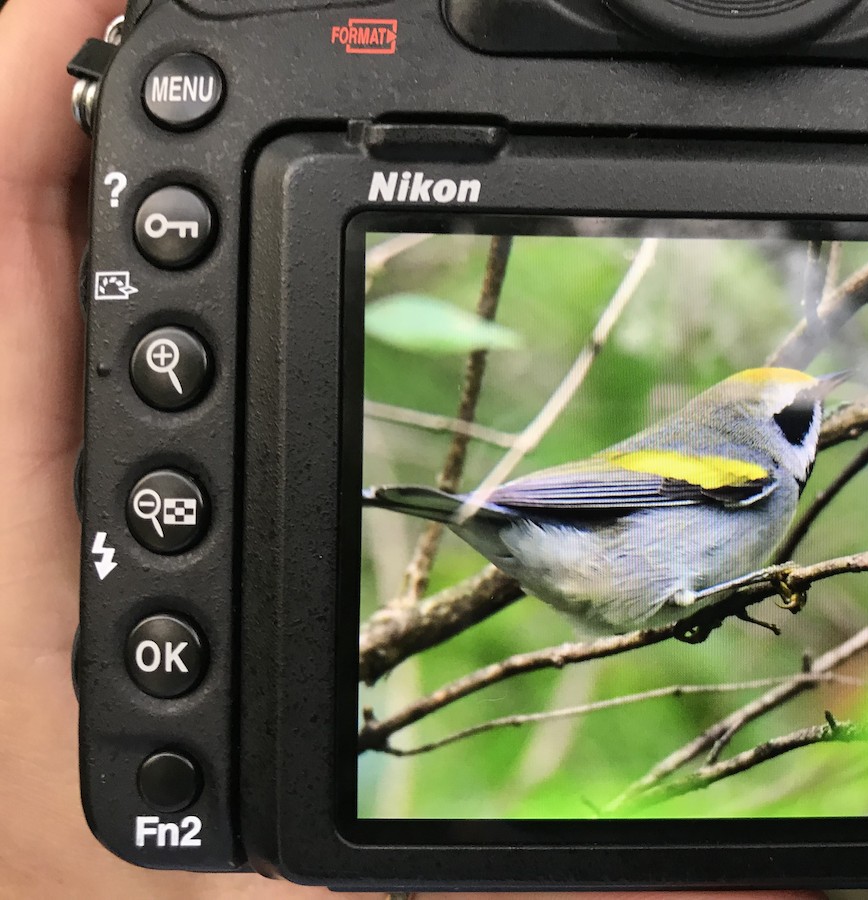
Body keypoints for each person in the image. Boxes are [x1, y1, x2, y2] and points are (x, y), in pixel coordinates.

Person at [0, 0, 823, 896]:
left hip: (576, 553)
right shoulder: (749, 469)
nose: (817, 424)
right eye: (806, 418)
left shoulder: (738, 454)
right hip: (582, 532)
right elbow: (626, 492)